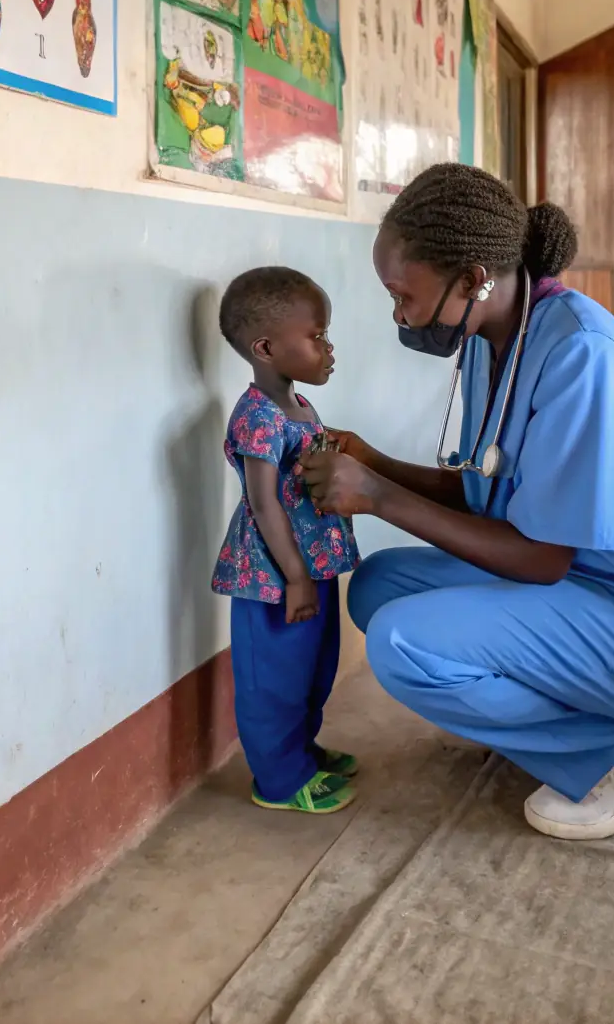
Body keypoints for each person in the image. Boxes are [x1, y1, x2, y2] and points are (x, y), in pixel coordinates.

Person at [301, 165, 614, 841]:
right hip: (585, 580)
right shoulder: (492, 338)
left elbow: (540, 555)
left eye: (403, 294)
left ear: (473, 276)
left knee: (402, 645)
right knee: (377, 586)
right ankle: (556, 714)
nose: (398, 314)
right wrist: (374, 461)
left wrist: (378, 495)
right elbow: (489, 487)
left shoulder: (580, 351)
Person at [214, 267, 361, 815]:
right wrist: (296, 576)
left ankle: (301, 752)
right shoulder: (256, 416)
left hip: (311, 566)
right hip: (274, 576)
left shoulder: (297, 406)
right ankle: (277, 779)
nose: (328, 348)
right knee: (273, 679)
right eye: (317, 336)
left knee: (312, 669)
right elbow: (263, 501)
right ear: (266, 348)